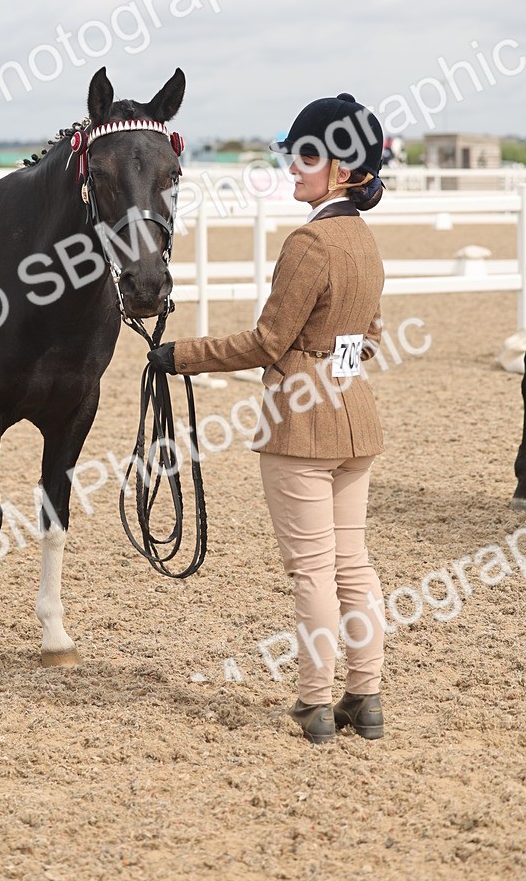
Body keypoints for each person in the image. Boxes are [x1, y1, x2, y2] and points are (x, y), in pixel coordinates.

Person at [149, 93, 387, 745]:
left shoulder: (311, 241)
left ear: (343, 170)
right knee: (353, 566)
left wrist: (180, 357)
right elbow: (369, 337)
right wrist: (330, 361)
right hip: (355, 418)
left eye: (307, 157)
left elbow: (265, 342)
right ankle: (364, 696)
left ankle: (314, 702)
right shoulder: (363, 241)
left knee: (313, 571)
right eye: (294, 154)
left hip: (302, 427)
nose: (294, 168)